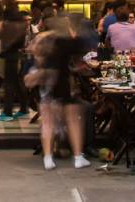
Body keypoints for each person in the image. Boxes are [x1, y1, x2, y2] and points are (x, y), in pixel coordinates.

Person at [26, 16, 89, 171]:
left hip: (46, 81)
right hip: (62, 82)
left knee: (47, 122)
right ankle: (78, 157)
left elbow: (33, 55)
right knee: (73, 120)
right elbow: (79, 55)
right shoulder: (66, 40)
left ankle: (48, 158)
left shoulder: (41, 38)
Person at [0, 0, 29, 121]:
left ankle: (7, 112)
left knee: (9, 84)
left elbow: (0, 34)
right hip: (16, 53)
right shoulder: (20, 19)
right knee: (15, 82)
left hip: (9, 53)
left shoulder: (8, 19)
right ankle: (24, 108)